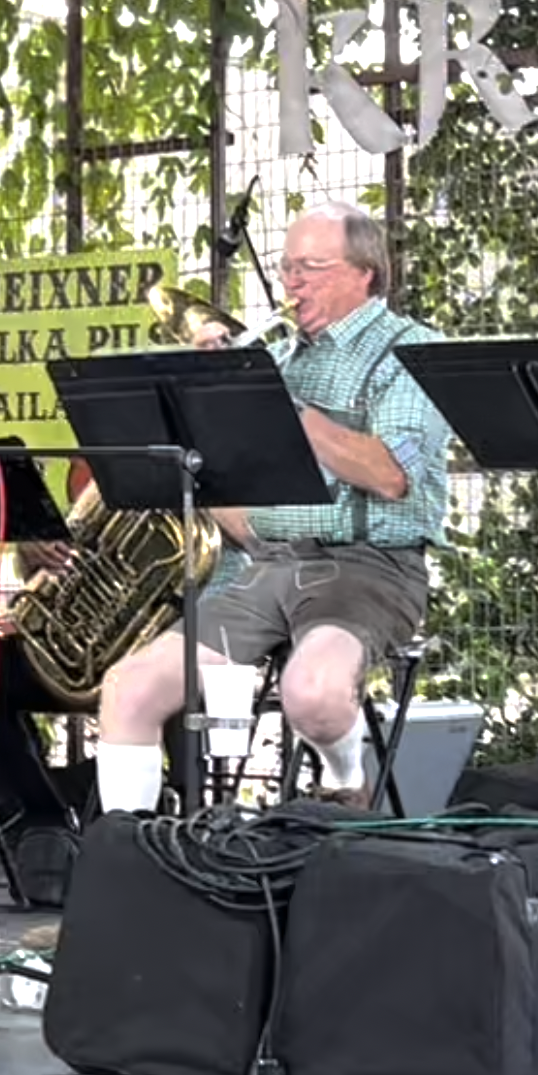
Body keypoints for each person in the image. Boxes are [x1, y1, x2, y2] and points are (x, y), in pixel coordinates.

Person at [90, 202, 447, 815]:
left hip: (367, 567)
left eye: (312, 267)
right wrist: (207, 399)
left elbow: (390, 475)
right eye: (287, 268)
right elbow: (221, 495)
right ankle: (126, 867)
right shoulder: (276, 359)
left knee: (312, 692)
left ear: (366, 272)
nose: (293, 283)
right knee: (129, 688)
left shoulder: (410, 352)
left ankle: (343, 781)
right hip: (262, 566)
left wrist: (288, 410)